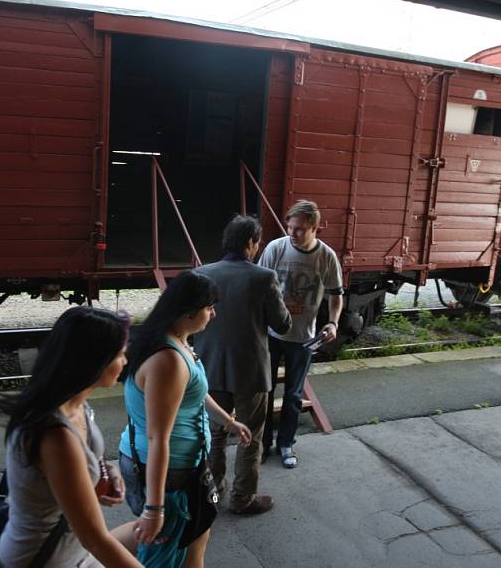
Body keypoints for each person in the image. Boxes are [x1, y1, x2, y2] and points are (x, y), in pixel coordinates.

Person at [0, 307, 143, 568]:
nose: (125, 362)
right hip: (44, 560)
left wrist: (108, 471)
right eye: (120, 355)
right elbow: (95, 539)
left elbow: (84, 460)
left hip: (72, 553)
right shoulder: (55, 435)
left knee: (152, 529)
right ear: (95, 361)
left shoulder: (76, 405)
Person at [118, 271, 252, 568]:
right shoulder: (168, 360)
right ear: (189, 312)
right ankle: (84, 551)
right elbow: (158, 438)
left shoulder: (176, 342)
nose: (213, 314)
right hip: (168, 472)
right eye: (209, 308)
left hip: (176, 466)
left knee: (194, 539)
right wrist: (154, 508)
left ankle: (87, 549)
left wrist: (228, 421)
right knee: (162, 553)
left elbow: (194, 393)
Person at [193, 214, 291, 515]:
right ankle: (242, 498)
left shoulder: (201, 273)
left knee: (215, 434)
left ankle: (214, 493)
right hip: (251, 371)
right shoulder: (263, 277)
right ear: (251, 242)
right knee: (250, 436)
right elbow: (283, 324)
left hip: (210, 368)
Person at [258, 200, 344, 469]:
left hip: (303, 338)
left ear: (315, 228)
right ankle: (262, 445)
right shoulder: (276, 248)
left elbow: (336, 296)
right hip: (271, 334)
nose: (292, 233)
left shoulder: (326, 257)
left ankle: (286, 443)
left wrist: (333, 322)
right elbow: (259, 285)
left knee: (294, 396)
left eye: (299, 229)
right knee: (265, 391)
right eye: (290, 227)